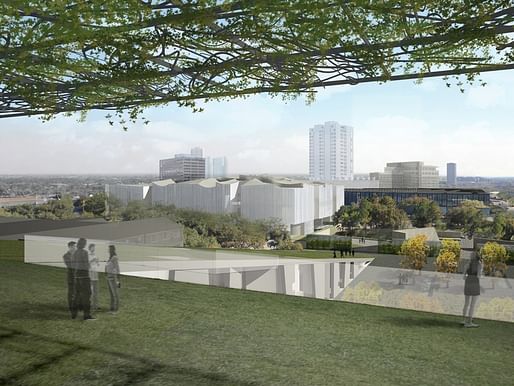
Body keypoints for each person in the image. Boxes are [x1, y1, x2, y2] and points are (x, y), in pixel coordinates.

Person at [71, 238, 95, 321]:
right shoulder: (84, 252)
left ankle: (73, 314)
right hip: (84, 276)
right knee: (87, 295)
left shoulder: (75, 252)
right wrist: (90, 264)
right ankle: (87, 315)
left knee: (77, 295)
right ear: (84, 244)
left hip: (77, 276)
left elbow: (73, 263)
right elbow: (86, 264)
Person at [462, 253, 482, 328]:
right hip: (475, 282)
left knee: (466, 303)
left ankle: (463, 320)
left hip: (468, 282)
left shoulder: (468, 263)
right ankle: (469, 322)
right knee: (472, 304)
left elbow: (463, 276)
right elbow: (478, 275)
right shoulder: (479, 264)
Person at [62, 241, 76, 315]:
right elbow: (70, 265)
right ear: (70, 247)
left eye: (75, 246)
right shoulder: (66, 256)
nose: (75, 248)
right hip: (71, 278)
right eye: (74, 246)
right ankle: (71, 309)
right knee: (71, 294)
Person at [105, 245, 120, 314]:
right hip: (109, 278)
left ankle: (116, 309)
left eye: (108, 249)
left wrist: (117, 280)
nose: (108, 250)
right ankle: (111, 308)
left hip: (113, 278)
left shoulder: (114, 258)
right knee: (111, 294)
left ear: (111, 250)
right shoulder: (110, 258)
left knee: (115, 294)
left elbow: (117, 269)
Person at [88, 243, 100, 311]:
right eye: (92, 247)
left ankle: (96, 305)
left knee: (96, 290)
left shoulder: (95, 255)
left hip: (95, 273)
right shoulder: (88, 255)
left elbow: (98, 265)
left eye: (94, 247)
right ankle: (90, 304)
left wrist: (97, 261)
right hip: (90, 273)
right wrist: (92, 260)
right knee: (91, 289)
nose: (94, 248)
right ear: (90, 248)